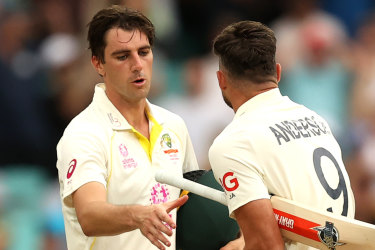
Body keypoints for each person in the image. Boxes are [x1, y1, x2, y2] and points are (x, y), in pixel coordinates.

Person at [56, 5, 200, 250]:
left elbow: (193, 206)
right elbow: (89, 215)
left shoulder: (173, 125)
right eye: (123, 56)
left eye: (144, 52)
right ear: (98, 64)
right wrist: (138, 216)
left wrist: (233, 238)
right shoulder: (83, 133)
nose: (137, 65)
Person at [208, 20, 355, 250]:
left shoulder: (232, 144)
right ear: (278, 73)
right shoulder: (316, 119)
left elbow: (266, 246)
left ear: (221, 80)